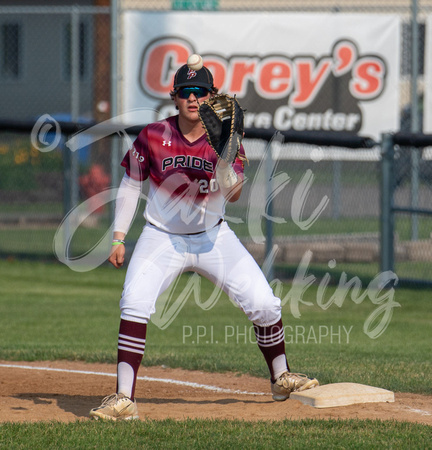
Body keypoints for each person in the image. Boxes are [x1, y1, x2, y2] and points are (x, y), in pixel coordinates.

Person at [89, 61, 319, 421]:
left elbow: (236, 194)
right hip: (161, 238)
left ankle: (281, 377)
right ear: (175, 98)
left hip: (213, 237)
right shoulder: (153, 135)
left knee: (264, 302)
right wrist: (118, 236)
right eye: (186, 92)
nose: (193, 97)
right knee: (134, 302)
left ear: (212, 97)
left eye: (201, 92)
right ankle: (123, 398)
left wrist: (226, 157)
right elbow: (132, 183)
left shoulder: (228, 141)